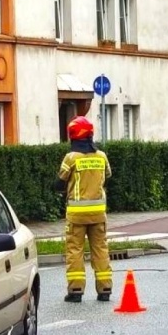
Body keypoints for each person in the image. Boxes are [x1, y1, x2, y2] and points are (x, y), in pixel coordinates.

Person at [55, 116, 113, 302]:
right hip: (98, 213)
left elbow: (60, 181)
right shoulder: (101, 156)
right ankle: (105, 290)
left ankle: (76, 290)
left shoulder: (71, 158)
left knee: (74, 251)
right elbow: (108, 175)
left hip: (76, 215)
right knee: (100, 249)